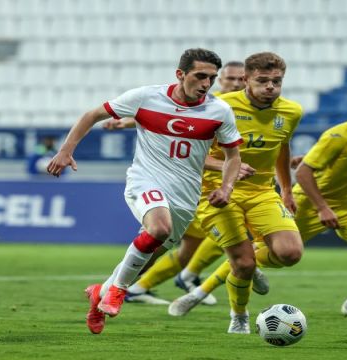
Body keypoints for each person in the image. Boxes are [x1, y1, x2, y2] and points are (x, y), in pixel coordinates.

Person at [173, 87, 347, 320]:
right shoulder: (338, 135)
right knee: (259, 254)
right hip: (311, 201)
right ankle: (197, 293)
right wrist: (321, 207)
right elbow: (305, 172)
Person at [46, 48, 243, 334]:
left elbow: (233, 157)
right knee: (159, 229)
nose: (205, 83)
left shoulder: (219, 111)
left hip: (185, 195)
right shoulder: (146, 97)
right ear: (180, 74)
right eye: (200, 76)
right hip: (145, 180)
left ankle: (101, 292)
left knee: (150, 253)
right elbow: (92, 115)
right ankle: (119, 291)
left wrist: (227, 187)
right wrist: (65, 151)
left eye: (211, 78)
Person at [168, 52, 304, 334]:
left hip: (262, 193)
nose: (270, 87)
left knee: (290, 253)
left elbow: (281, 148)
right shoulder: (219, 106)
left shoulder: (292, 111)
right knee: (241, 263)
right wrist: (227, 166)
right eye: (263, 80)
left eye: (276, 81)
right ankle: (239, 317)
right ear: (245, 80)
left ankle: (251, 265)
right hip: (215, 193)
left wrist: (287, 189)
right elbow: (187, 150)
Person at [104, 61, 253, 306]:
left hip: (218, 190)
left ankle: (135, 286)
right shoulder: (208, 106)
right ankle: (132, 286)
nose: (235, 84)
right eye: (230, 79)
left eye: (240, 80)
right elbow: (179, 141)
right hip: (194, 187)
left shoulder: (237, 110)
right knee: (174, 243)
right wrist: (126, 121)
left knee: (185, 247)